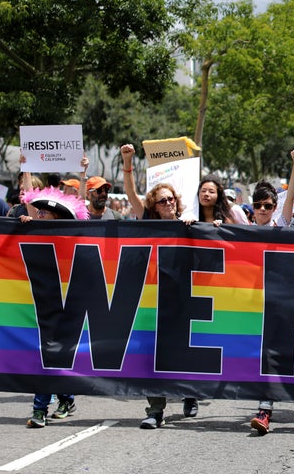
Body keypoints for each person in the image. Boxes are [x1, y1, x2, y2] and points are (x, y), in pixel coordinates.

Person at [120, 143, 199, 428]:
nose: (168, 204)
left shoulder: (190, 224)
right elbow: (130, 193)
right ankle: (155, 411)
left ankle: (190, 393)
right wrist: (128, 163)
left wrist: (195, 226)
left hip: (184, 300)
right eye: (162, 201)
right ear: (153, 207)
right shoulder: (148, 225)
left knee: (183, 352)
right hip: (153, 301)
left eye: (171, 200)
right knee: (154, 355)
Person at [18, 177, 89, 427]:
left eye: (44, 213)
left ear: (57, 218)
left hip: (71, 303)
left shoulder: (73, 240)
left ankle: (45, 407)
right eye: (38, 211)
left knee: (53, 354)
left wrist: (82, 175)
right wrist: (26, 225)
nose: (38, 214)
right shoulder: (34, 232)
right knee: (47, 353)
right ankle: (58, 401)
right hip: (43, 302)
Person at [249, 149, 294, 435]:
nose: (262, 209)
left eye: (267, 205)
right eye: (257, 205)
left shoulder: (279, 226)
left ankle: (265, 409)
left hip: (278, 303)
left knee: (272, 355)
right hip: (248, 303)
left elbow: (291, 197)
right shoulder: (240, 232)